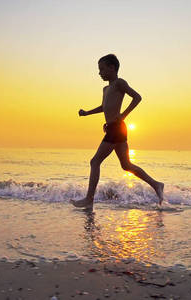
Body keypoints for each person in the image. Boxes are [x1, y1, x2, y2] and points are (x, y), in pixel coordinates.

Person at [71, 54, 164, 209]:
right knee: (126, 165)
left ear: (112, 68)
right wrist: (87, 113)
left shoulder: (119, 83)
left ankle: (89, 199)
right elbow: (104, 107)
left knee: (95, 161)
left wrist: (123, 115)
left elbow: (137, 97)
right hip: (114, 128)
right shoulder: (106, 88)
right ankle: (156, 184)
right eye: (98, 69)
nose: (99, 73)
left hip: (117, 129)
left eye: (102, 69)